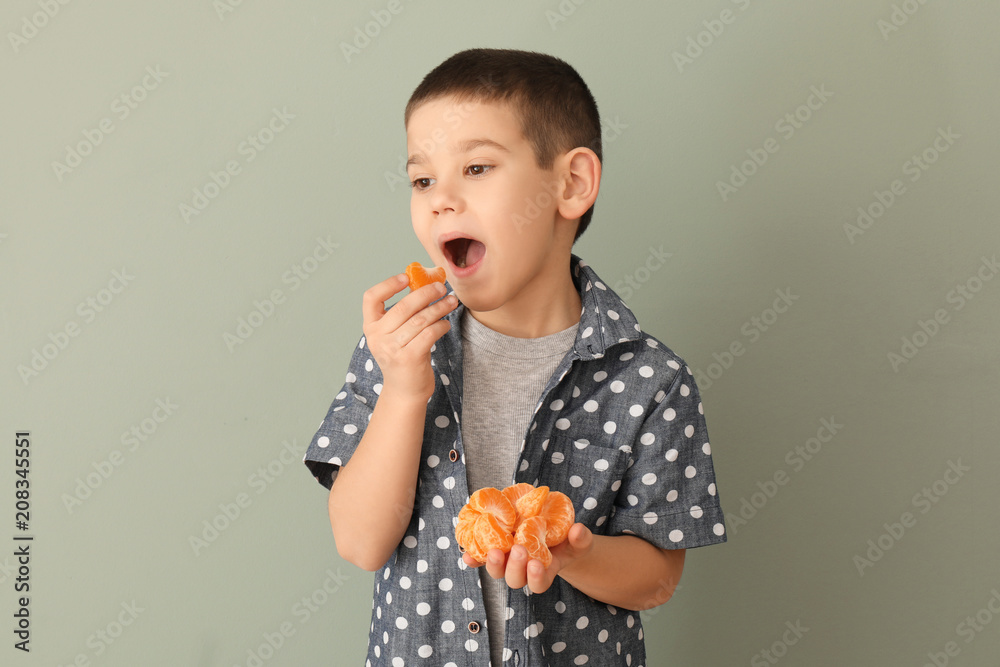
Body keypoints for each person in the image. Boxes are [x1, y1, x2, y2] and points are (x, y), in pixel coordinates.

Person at [303, 47, 727, 667]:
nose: (440, 199)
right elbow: (361, 542)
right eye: (423, 179)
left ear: (571, 183)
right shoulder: (400, 350)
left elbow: (657, 578)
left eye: (476, 168)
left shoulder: (648, 379)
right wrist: (402, 391)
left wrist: (574, 555)